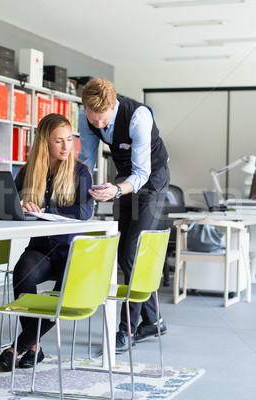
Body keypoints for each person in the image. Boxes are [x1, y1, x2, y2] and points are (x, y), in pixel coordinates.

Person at [78, 78, 170, 353]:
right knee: (124, 255)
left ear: (112, 105)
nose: (98, 126)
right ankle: (154, 321)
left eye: (102, 120)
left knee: (134, 252)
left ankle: (126, 329)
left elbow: (141, 173)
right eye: (93, 121)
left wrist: (117, 190)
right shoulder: (87, 115)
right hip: (123, 177)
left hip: (151, 178)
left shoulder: (138, 117)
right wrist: (79, 187)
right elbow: (87, 157)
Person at [0, 113, 94, 371]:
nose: (66, 147)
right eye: (58, 141)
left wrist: (46, 211)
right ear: (44, 142)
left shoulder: (80, 172)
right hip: (40, 249)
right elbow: (9, 206)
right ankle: (34, 348)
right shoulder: (28, 172)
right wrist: (22, 206)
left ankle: (17, 347)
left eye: (69, 140)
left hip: (71, 251)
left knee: (60, 298)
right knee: (22, 274)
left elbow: (85, 212)